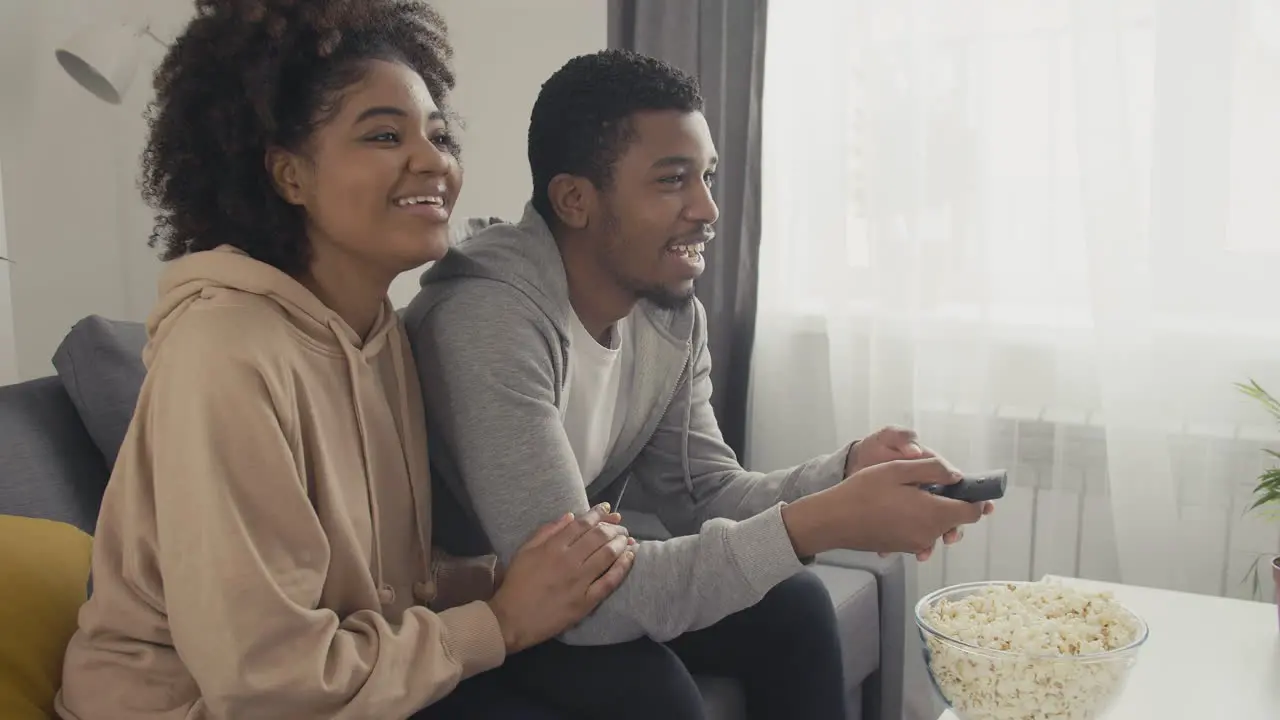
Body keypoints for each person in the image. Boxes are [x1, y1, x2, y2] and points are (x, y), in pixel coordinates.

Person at [54, 4, 635, 719]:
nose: (434, 162)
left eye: (441, 135)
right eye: (384, 135)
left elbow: (387, 589)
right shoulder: (223, 354)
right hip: (199, 706)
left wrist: (526, 574)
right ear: (289, 175)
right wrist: (504, 620)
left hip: (347, 677)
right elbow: (265, 680)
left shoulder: (380, 336)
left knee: (633, 677)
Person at [403, 49, 997, 720]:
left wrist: (846, 473)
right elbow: (574, 596)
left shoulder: (668, 316)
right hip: (473, 608)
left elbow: (706, 493)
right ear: (575, 200)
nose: (709, 207)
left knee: (793, 604)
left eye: (708, 176)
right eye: (672, 180)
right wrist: (822, 521)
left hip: (565, 592)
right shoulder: (485, 320)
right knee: (646, 689)